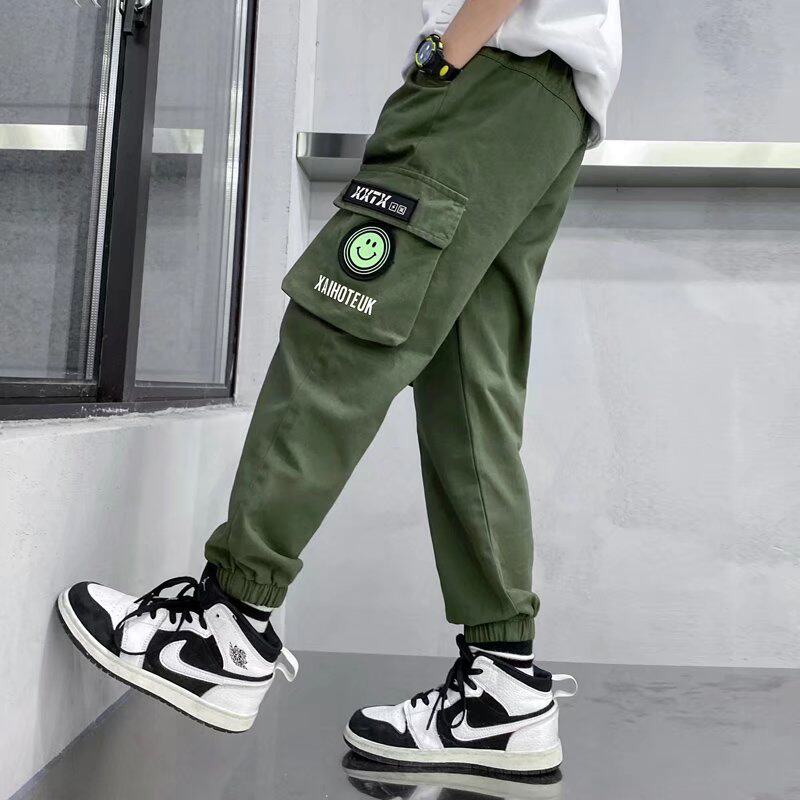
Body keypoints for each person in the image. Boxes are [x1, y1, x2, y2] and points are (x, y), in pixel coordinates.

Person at [57, 0, 621, 775]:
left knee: (341, 335)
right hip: (553, 104)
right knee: (468, 392)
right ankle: (502, 689)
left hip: (493, 79)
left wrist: (445, 58)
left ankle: (228, 625)